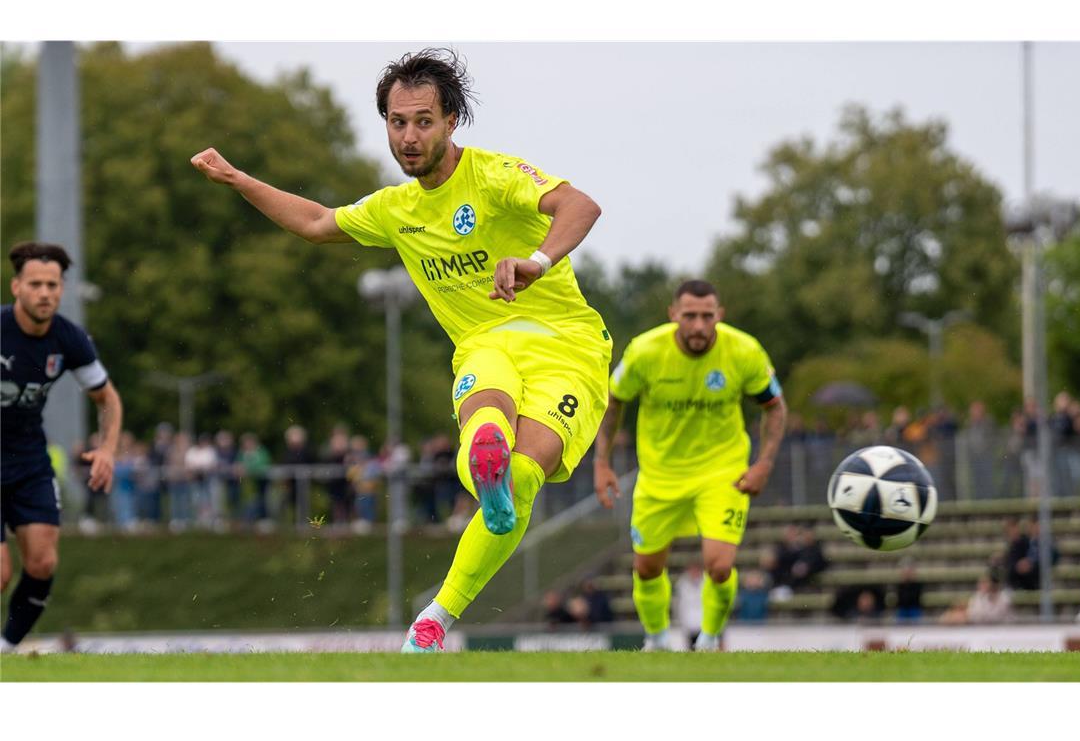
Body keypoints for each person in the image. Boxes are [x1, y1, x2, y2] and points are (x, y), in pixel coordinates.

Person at [192, 48, 610, 653]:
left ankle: (441, 603)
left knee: (522, 476)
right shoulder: (397, 209)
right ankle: (435, 618)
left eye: (422, 121)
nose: (409, 137)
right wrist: (236, 178)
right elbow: (315, 222)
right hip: (484, 346)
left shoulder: (495, 176)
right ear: (386, 123)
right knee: (487, 421)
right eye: (397, 122)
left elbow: (580, 205)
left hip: (567, 348)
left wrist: (536, 262)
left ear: (451, 121)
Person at [594, 280, 787, 651]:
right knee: (647, 567)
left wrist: (763, 464)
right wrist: (601, 463)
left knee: (719, 565)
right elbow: (614, 401)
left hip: (722, 471)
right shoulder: (645, 352)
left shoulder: (744, 351)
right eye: (690, 316)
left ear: (720, 315)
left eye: (707, 316)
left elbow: (775, 406)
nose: (699, 325)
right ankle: (656, 639)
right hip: (659, 475)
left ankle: (711, 639)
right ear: (673, 315)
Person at [1, 242, 123, 652]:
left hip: (29, 462)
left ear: (62, 289)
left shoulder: (69, 339)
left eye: (52, 284)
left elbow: (107, 398)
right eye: (35, 283)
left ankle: (5, 651)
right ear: (16, 287)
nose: (45, 292)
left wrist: (106, 449)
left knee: (42, 562)